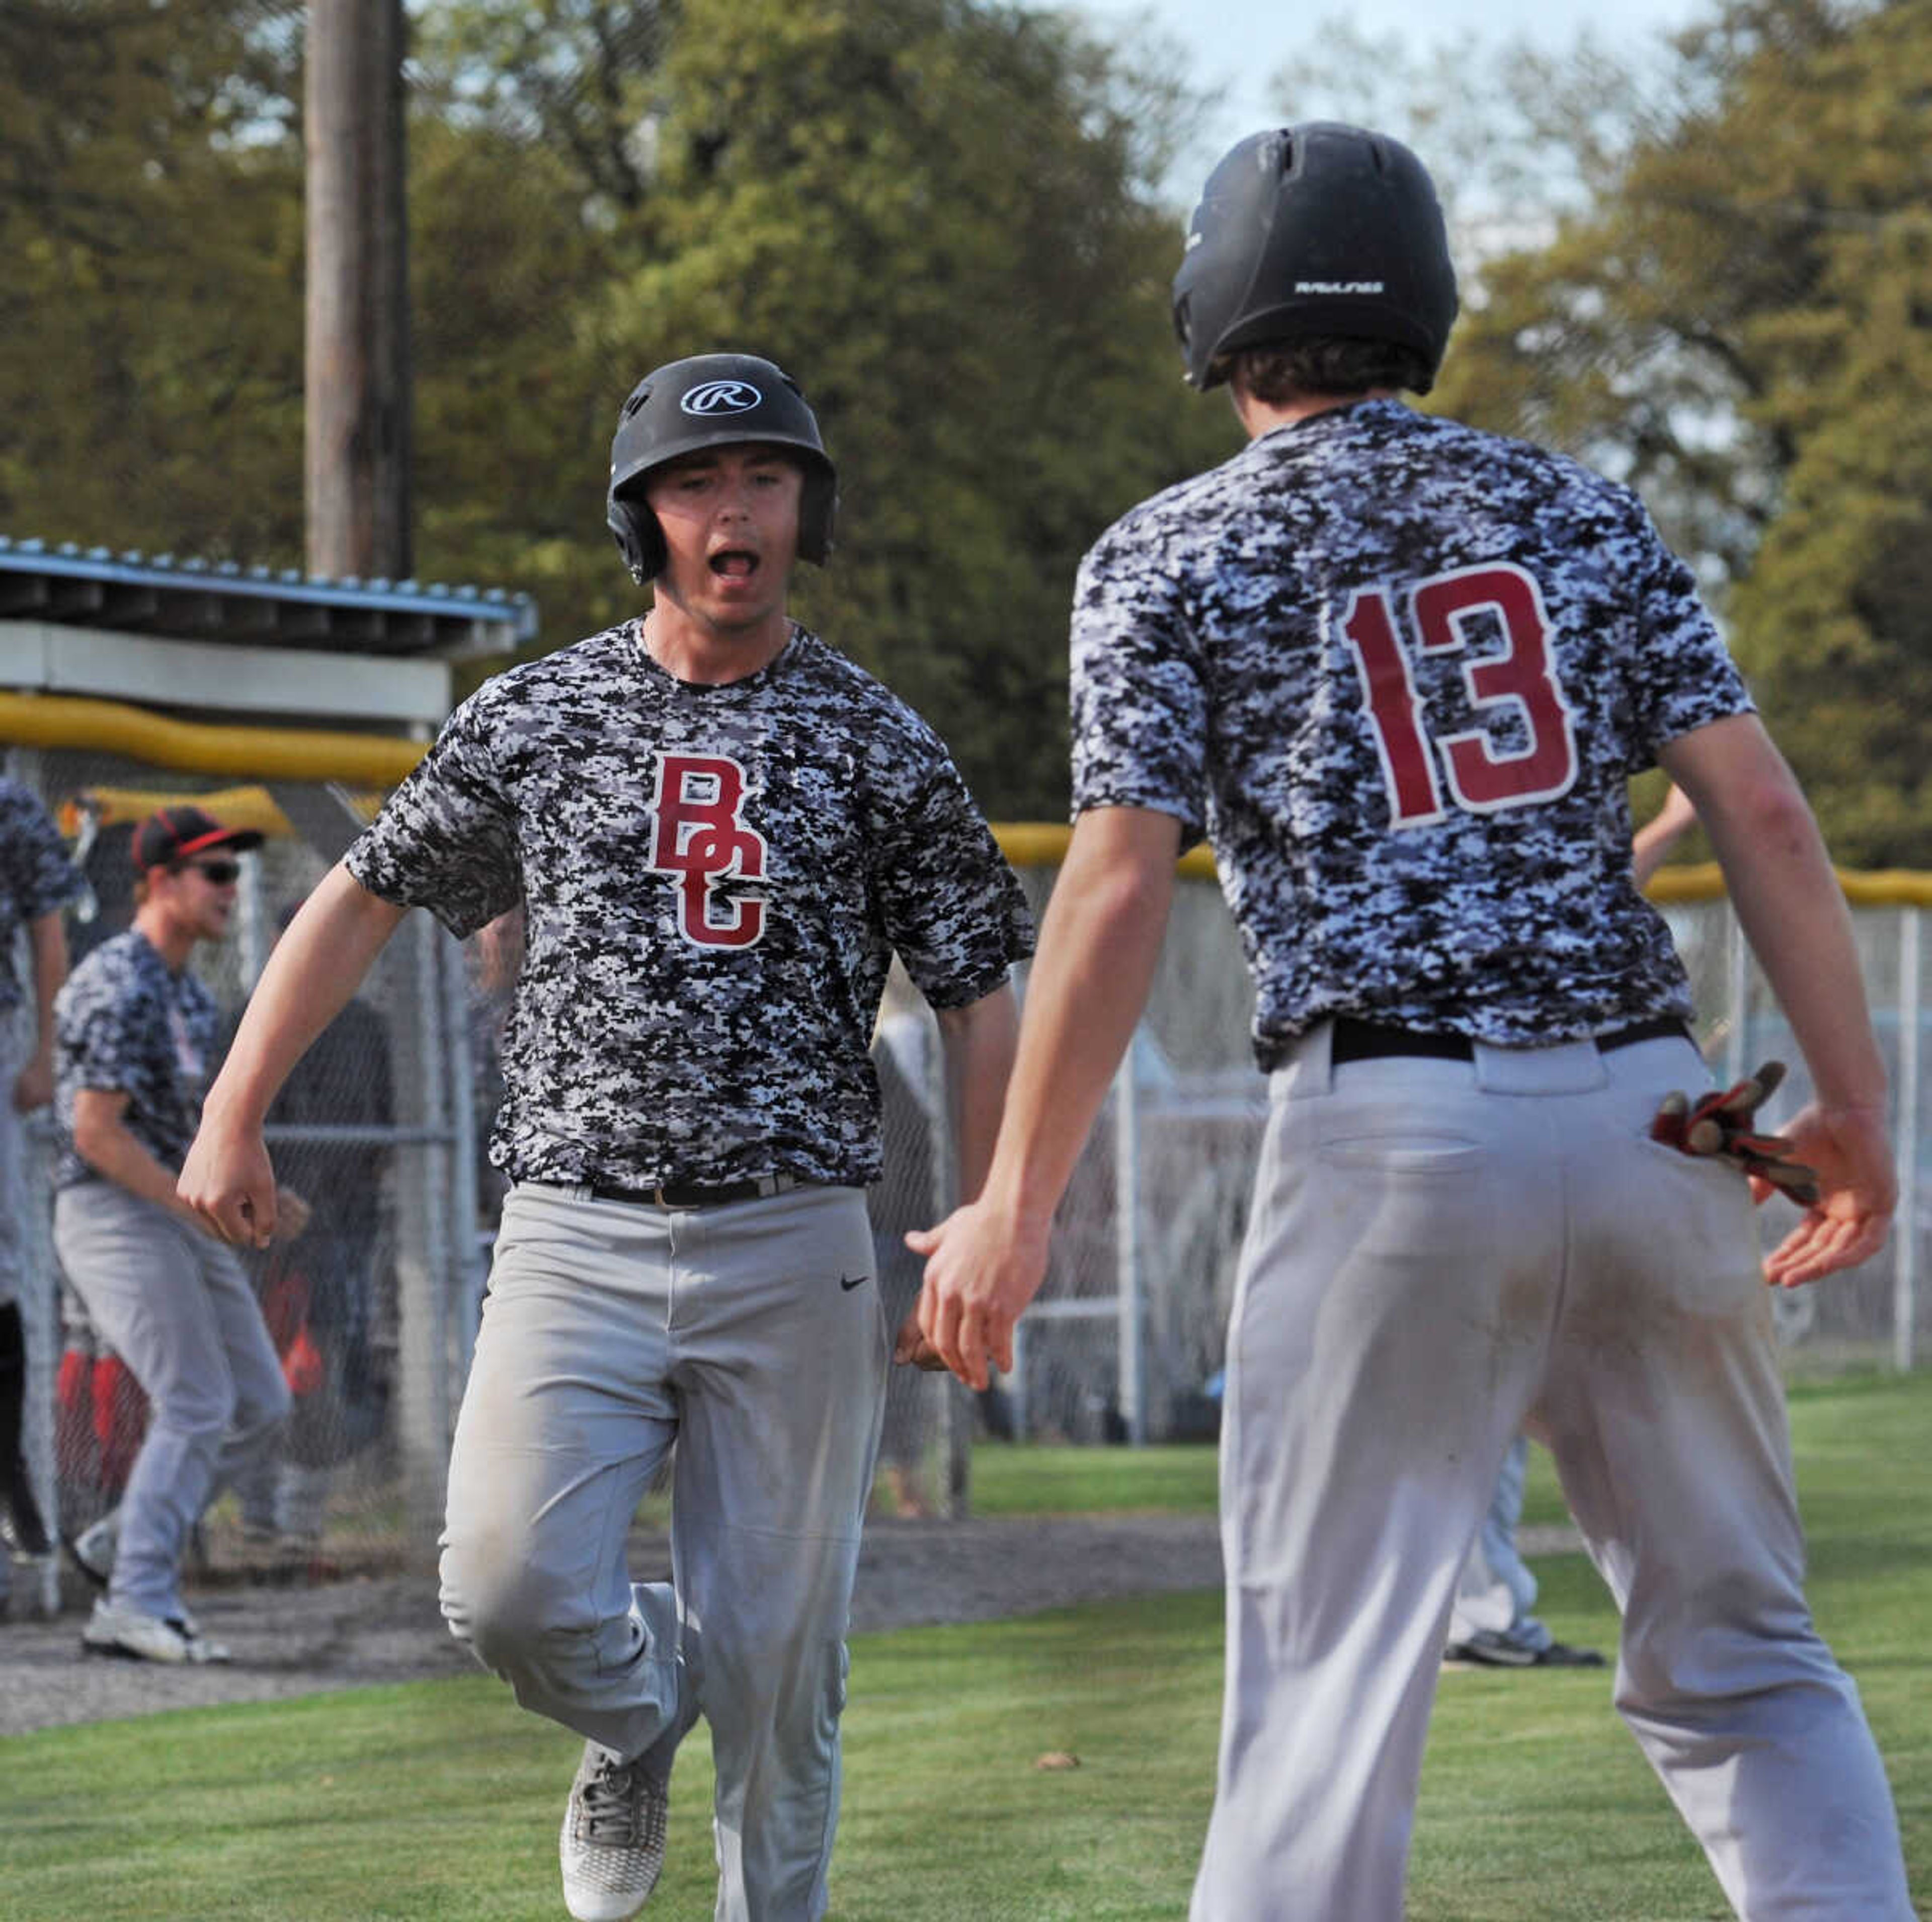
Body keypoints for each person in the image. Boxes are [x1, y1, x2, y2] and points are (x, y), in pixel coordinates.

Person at [907, 124, 1913, 1920]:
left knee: (1326, 1705)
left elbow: (1122, 885)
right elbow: (1761, 813)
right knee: (1750, 1658)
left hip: (1390, 1137)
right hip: (1658, 1121)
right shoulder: (1577, 505)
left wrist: (1013, 1195)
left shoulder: (1163, 552)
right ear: (1426, 303)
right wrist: (1854, 1101)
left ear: (1211, 317)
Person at [178, 352, 1032, 1922]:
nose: (736, 510)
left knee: (785, 1666)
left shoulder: (876, 738)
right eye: (701, 485)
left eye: (767, 479)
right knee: (502, 1585)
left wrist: (989, 1212)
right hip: (574, 1222)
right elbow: (359, 896)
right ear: (644, 518)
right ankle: (637, 1714)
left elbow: (984, 990)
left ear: (806, 509)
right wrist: (232, 1109)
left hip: (799, 1235)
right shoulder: (543, 712)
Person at [1445, 788, 1700, 1672]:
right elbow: (1579, 893)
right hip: (1481, 1151)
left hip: (1429, 1147)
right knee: (1489, 1395)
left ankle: (1470, 1615)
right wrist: (1669, 823)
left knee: (1488, 1396)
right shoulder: (1465, 889)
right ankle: (1475, 1619)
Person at [52, 804, 300, 1662]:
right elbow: (97, 1133)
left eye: (236, 872)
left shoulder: (189, 989)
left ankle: (122, 1545)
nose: (231, 888)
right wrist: (196, 1203)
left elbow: (188, 1129)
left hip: (172, 1211)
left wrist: (248, 1189)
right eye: (215, 872)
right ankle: (135, 1599)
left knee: (260, 1404)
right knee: (197, 1398)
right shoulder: (118, 978)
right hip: (113, 1208)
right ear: (160, 881)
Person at [0, 777, 85, 1593]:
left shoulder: (10, 806)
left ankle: (14, 1473)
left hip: (3, 1030)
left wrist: (44, 1050)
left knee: (8, 1270)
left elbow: (48, 933)